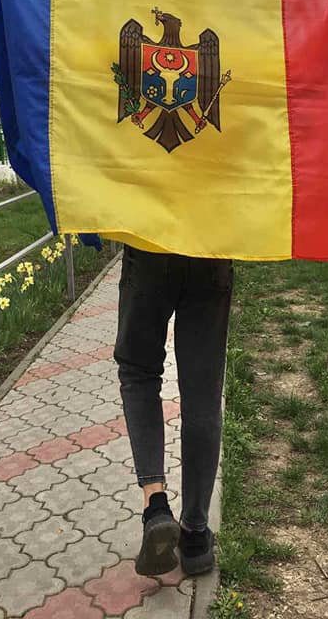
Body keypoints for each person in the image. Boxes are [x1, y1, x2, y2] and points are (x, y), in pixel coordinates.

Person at [113, 242, 234, 577]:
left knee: (139, 372)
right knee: (203, 391)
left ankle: (156, 505)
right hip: (211, 248)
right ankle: (195, 533)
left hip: (149, 243)